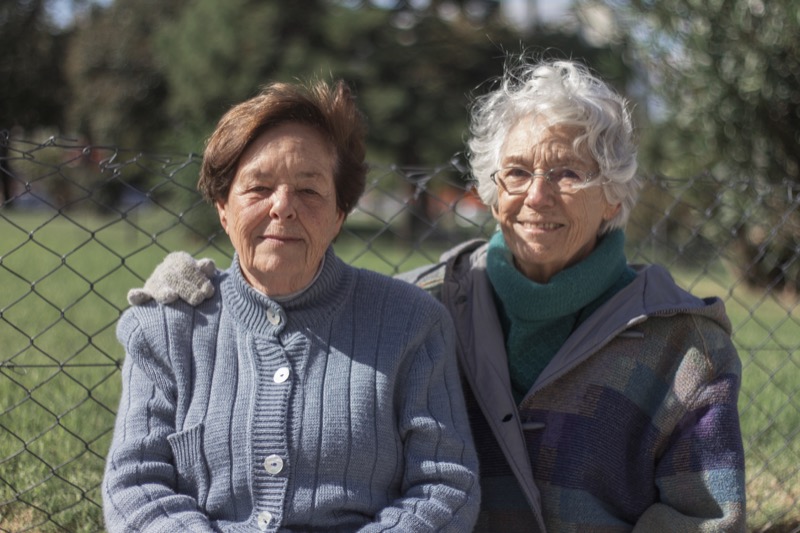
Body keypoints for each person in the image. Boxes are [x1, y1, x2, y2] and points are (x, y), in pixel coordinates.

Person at [130, 59, 747, 532]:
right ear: (490, 186)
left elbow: (706, 516)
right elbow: (299, 300)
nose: (537, 195)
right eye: (517, 172)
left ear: (614, 196)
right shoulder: (435, 302)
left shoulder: (682, 343)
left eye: (569, 173)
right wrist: (193, 296)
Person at [102, 79, 481, 532]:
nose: (283, 208)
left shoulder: (414, 324)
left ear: (340, 213)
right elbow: (135, 485)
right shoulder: (164, 328)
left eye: (309, 191)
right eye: (258, 188)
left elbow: (445, 487)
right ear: (223, 207)